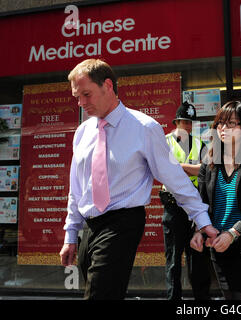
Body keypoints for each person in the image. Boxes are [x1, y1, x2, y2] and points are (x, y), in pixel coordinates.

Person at [59, 59, 218, 300]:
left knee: (99, 294)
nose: (81, 103)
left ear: (108, 86)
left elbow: (174, 177)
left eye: (86, 94)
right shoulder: (82, 132)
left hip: (123, 222)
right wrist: (71, 235)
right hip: (90, 226)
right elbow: (77, 187)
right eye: (77, 97)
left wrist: (201, 218)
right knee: (102, 290)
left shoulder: (144, 127)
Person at [190, 100, 241, 300]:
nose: (223, 128)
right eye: (220, 123)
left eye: (231, 124)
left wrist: (233, 234)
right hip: (217, 245)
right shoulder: (209, 162)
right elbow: (201, 203)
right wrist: (198, 230)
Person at [160, 101, 211, 300]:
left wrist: (179, 166)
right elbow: (163, 168)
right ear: (177, 122)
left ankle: (202, 301)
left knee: (197, 258)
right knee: (173, 260)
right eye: (184, 122)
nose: (188, 126)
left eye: (190, 123)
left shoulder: (200, 144)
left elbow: (205, 170)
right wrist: (191, 167)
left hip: (195, 207)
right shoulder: (164, 142)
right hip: (173, 206)